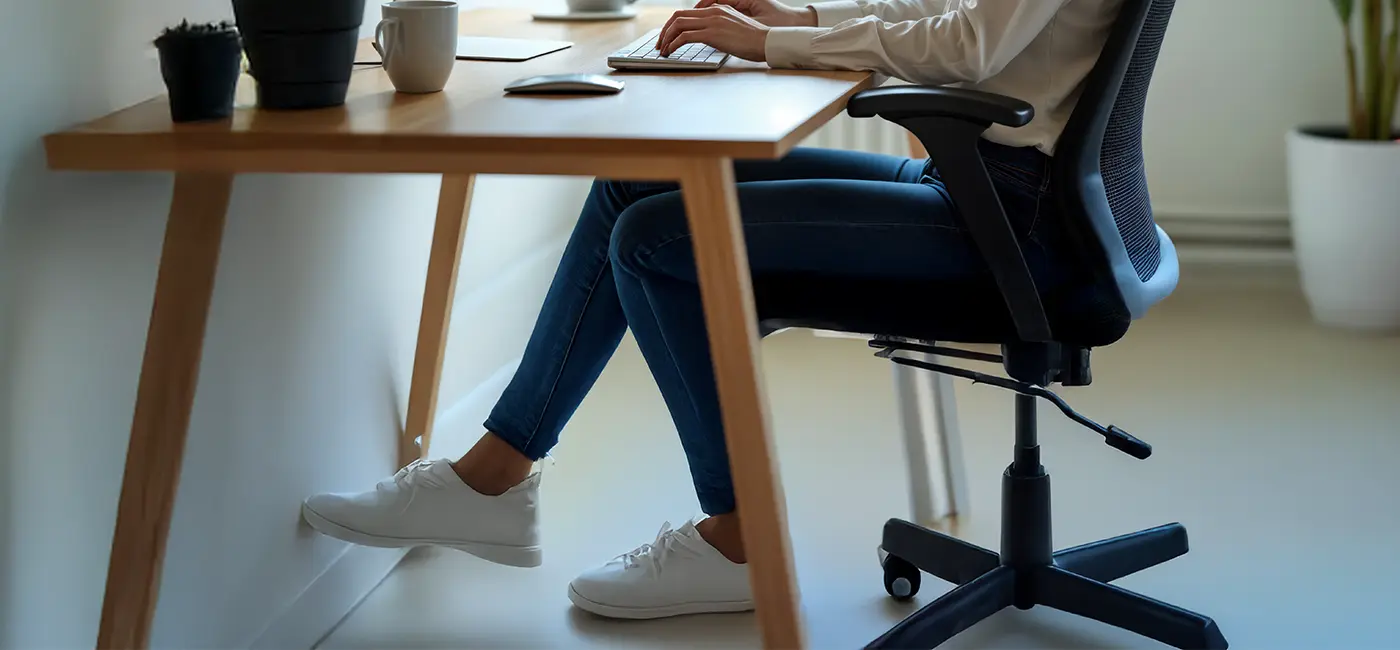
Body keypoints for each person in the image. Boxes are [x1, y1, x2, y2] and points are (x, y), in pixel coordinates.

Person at [302, 0, 1124, 621]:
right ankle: (493, 478)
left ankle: (738, 541)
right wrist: (795, 17)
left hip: (1009, 223)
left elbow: (967, 47)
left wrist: (767, 43)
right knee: (635, 183)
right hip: (981, 188)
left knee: (657, 239)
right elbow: (949, 16)